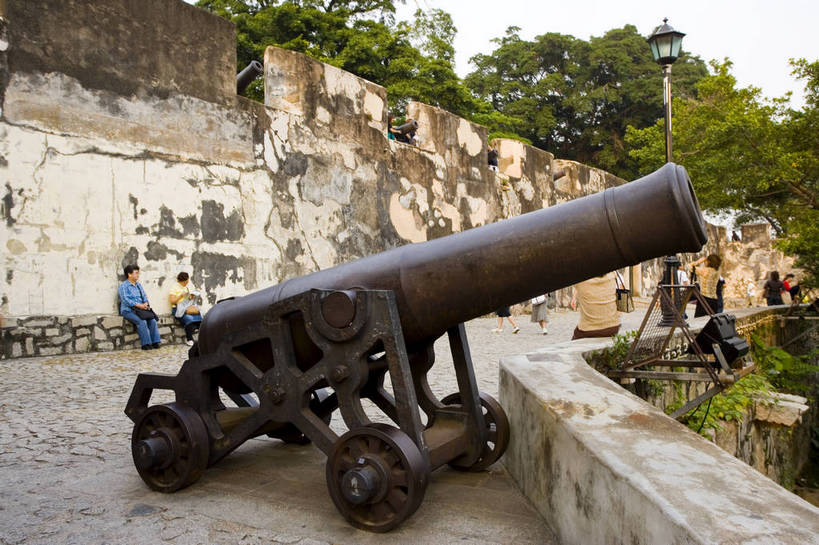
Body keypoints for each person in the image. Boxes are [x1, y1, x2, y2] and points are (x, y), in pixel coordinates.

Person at [118, 264, 161, 350]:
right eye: (136, 273)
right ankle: (146, 344)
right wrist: (139, 305)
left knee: (152, 320)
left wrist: (145, 304)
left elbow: (144, 296)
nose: (138, 275)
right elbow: (125, 300)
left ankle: (155, 342)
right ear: (129, 274)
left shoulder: (138, 285)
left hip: (141, 310)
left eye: (138, 273)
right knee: (142, 322)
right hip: (128, 310)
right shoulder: (123, 286)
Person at [570, 272, 621, 340]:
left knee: (575, 342)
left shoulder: (581, 279)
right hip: (613, 327)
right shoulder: (612, 275)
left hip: (589, 329)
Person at [169, 272, 203, 346]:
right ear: (183, 281)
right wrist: (181, 296)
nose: (187, 283)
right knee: (189, 319)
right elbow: (172, 301)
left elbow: (187, 300)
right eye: (187, 281)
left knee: (200, 319)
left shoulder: (186, 288)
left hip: (186, 308)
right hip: (178, 310)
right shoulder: (174, 287)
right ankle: (189, 339)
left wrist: (191, 297)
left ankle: (200, 335)